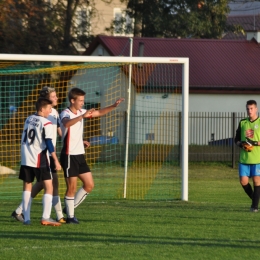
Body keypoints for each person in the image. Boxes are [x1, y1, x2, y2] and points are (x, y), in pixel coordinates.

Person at [59, 87, 124, 224]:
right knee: (71, 188)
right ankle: (70, 217)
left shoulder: (82, 111)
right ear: (72, 100)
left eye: (83, 100)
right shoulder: (65, 113)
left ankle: (69, 209)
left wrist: (113, 105)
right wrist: (82, 116)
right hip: (69, 155)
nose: (83, 103)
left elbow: (99, 112)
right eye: (80, 100)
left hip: (79, 154)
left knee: (89, 185)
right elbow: (66, 124)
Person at [11, 87, 66, 223]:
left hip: (26, 157)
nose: (49, 111)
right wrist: (56, 160)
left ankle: (26, 218)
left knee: (28, 186)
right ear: (42, 108)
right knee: (49, 186)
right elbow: (48, 143)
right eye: (48, 109)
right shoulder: (46, 122)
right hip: (40, 157)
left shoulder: (29, 118)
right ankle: (46, 217)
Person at [235, 99, 260, 212]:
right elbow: (236, 139)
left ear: (256, 109)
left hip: (257, 158)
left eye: (251, 108)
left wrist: (253, 143)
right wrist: (242, 144)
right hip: (244, 159)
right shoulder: (242, 123)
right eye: (247, 109)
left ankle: (254, 207)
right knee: (243, 182)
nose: (249, 111)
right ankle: (255, 199)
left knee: (256, 181)